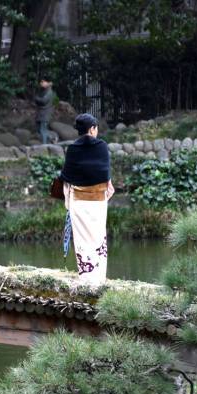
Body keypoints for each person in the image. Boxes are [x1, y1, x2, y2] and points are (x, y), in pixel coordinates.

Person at [59, 113, 114, 287]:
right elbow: (105, 176)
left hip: (79, 202)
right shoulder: (102, 146)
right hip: (98, 201)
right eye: (96, 128)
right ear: (92, 129)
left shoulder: (73, 148)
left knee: (82, 240)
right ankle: (99, 278)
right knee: (98, 238)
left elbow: (66, 177)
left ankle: (86, 278)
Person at [34, 79, 55, 145]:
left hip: (45, 113)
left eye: (43, 82)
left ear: (49, 83)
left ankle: (44, 145)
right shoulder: (43, 91)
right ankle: (52, 138)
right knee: (38, 129)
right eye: (41, 81)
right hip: (40, 113)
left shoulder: (49, 92)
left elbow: (43, 101)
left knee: (43, 129)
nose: (41, 83)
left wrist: (36, 98)